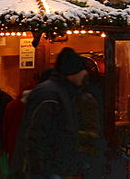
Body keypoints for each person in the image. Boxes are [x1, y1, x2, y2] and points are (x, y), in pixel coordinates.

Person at [20, 47, 87, 178]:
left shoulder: (63, 92)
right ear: (73, 71)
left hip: (57, 167)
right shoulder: (51, 94)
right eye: (82, 69)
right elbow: (35, 135)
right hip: (49, 169)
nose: (85, 73)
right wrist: (38, 169)